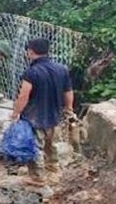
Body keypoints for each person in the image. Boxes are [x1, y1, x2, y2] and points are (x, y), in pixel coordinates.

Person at [11, 38, 74, 181]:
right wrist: (69, 109)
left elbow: (23, 95)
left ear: (30, 51)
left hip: (34, 117)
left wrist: (15, 113)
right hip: (54, 116)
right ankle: (53, 169)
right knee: (51, 144)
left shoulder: (31, 72)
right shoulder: (62, 69)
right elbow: (68, 92)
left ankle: (37, 178)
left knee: (34, 147)